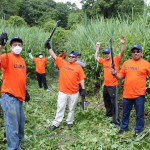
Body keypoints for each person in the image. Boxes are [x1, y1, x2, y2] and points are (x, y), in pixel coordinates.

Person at [44, 42, 86, 130]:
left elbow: (82, 79)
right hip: (63, 91)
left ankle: (69, 122)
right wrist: (49, 48)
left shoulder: (78, 67)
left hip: (74, 92)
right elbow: (55, 56)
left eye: (73, 57)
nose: (70, 58)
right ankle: (56, 123)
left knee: (72, 108)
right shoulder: (63, 63)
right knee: (60, 107)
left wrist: (83, 89)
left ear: (76, 59)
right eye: (69, 56)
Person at [111, 44, 150, 134]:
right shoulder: (126, 63)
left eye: (137, 51)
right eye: (133, 51)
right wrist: (114, 74)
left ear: (141, 53)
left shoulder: (146, 64)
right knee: (125, 113)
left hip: (140, 94)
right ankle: (123, 128)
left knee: (139, 114)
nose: (135, 53)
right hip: (127, 94)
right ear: (131, 53)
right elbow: (120, 76)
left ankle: (138, 130)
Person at [0, 33, 27, 150]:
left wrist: (26, 91)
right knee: (12, 127)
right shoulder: (6, 57)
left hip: (20, 98)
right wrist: (0, 45)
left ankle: (17, 145)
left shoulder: (22, 60)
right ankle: (12, 148)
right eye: (15, 44)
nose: (17, 46)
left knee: (20, 127)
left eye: (19, 44)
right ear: (11, 47)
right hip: (9, 97)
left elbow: (20, 77)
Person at [95, 36, 125, 125]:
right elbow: (96, 56)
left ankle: (116, 120)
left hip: (113, 85)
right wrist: (97, 48)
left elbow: (122, 53)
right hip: (106, 85)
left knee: (114, 103)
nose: (106, 55)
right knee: (106, 100)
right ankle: (109, 115)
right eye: (105, 53)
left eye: (107, 53)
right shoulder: (104, 61)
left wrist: (123, 44)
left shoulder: (115, 59)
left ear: (110, 53)